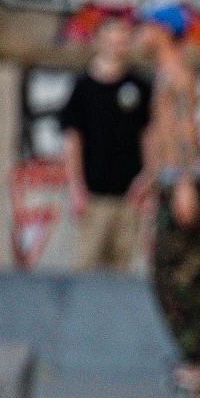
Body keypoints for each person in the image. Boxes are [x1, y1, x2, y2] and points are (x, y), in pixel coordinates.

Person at [136, 3, 200, 396]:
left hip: (181, 181)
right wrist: (150, 178)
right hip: (170, 179)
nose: (140, 35)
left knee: (178, 277)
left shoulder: (176, 73)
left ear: (162, 30)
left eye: (145, 27)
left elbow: (184, 130)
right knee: (169, 275)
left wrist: (182, 182)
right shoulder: (165, 72)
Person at [59, 17, 153, 272]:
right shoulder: (84, 87)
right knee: (85, 267)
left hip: (129, 197)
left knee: (121, 270)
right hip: (94, 197)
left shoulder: (139, 86)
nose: (117, 46)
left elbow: (149, 136)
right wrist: (76, 187)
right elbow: (72, 140)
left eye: (123, 40)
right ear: (99, 41)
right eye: (112, 39)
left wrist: (148, 177)